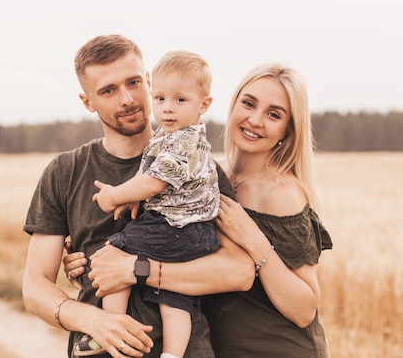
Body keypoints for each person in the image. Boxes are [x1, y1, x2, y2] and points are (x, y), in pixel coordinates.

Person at [68, 62, 333, 357]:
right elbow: (169, 240)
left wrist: (255, 242)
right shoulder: (208, 175)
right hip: (221, 346)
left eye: (274, 114)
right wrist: (85, 256)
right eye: (248, 104)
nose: (255, 120)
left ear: (287, 129)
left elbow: (305, 309)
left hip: (277, 350)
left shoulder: (281, 193)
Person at [22, 34, 254, 358]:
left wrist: (138, 269)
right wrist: (96, 321)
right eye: (108, 90)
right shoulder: (65, 171)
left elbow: (240, 271)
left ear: (147, 81)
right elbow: (34, 288)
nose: (127, 98)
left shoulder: (199, 168)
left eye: (133, 82)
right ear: (87, 101)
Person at [78, 50, 220, 358]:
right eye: (161, 99)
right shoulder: (171, 137)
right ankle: (171, 354)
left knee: (113, 254)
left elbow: (155, 181)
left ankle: (113, 326)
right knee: (174, 297)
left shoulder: (183, 140)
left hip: (174, 227)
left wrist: (116, 195)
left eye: (180, 100)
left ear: (204, 105)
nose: (168, 108)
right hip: (191, 231)